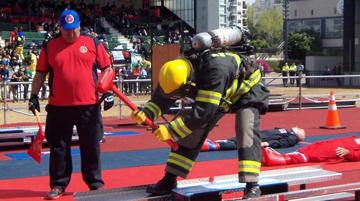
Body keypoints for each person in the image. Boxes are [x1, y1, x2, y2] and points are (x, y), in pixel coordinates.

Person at [131, 50, 269, 199]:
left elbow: (204, 113)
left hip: (246, 88)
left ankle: (252, 185)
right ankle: (170, 179)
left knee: (245, 128)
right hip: (221, 90)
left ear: (189, 81)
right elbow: (163, 97)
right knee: (191, 132)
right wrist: (147, 113)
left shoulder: (214, 70)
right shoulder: (176, 70)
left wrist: (171, 130)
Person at [28, 9, 112, 200]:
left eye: (74, 29)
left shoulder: (92, 43)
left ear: (79, 26)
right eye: (66, 30)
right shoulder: (49, 46)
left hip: (88, 105)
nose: (70, 33)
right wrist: (33, 95)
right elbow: (40, 73)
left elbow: (107, 68)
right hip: (59, 107)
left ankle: (95, 184)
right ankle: (58, 185)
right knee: (59, 147)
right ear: (60, 27)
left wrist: (107, 93)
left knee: (91, 146)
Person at [262, 136, 360, 166]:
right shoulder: (356, 137)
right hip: (325, 145)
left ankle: (278, 159)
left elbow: (357, 155)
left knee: (307, 155)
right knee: (306, 151)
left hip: (332, 152)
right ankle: (276, 157)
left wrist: (348, 152)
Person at [201, 127, 306, 151]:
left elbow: (280, 143)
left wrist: (267, 144)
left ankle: (212, 146)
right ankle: (213, 144)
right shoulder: (285, 131)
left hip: (259, 139)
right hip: (257, 135)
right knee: (235, 140)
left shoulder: (291, 138)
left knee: (237, 144)